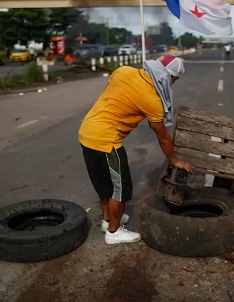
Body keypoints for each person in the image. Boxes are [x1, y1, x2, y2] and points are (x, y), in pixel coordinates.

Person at [78, 54, 194, 245]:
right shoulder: (152, 100)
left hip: (87, 131)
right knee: (121, 189)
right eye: (174, 79)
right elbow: (162, 136)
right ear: (168, 76)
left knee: (104, 183)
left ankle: (108, 221)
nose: (173, 83)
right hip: (106, 140)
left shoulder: (123, 71)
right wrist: (175, 160)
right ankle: (114, 233)